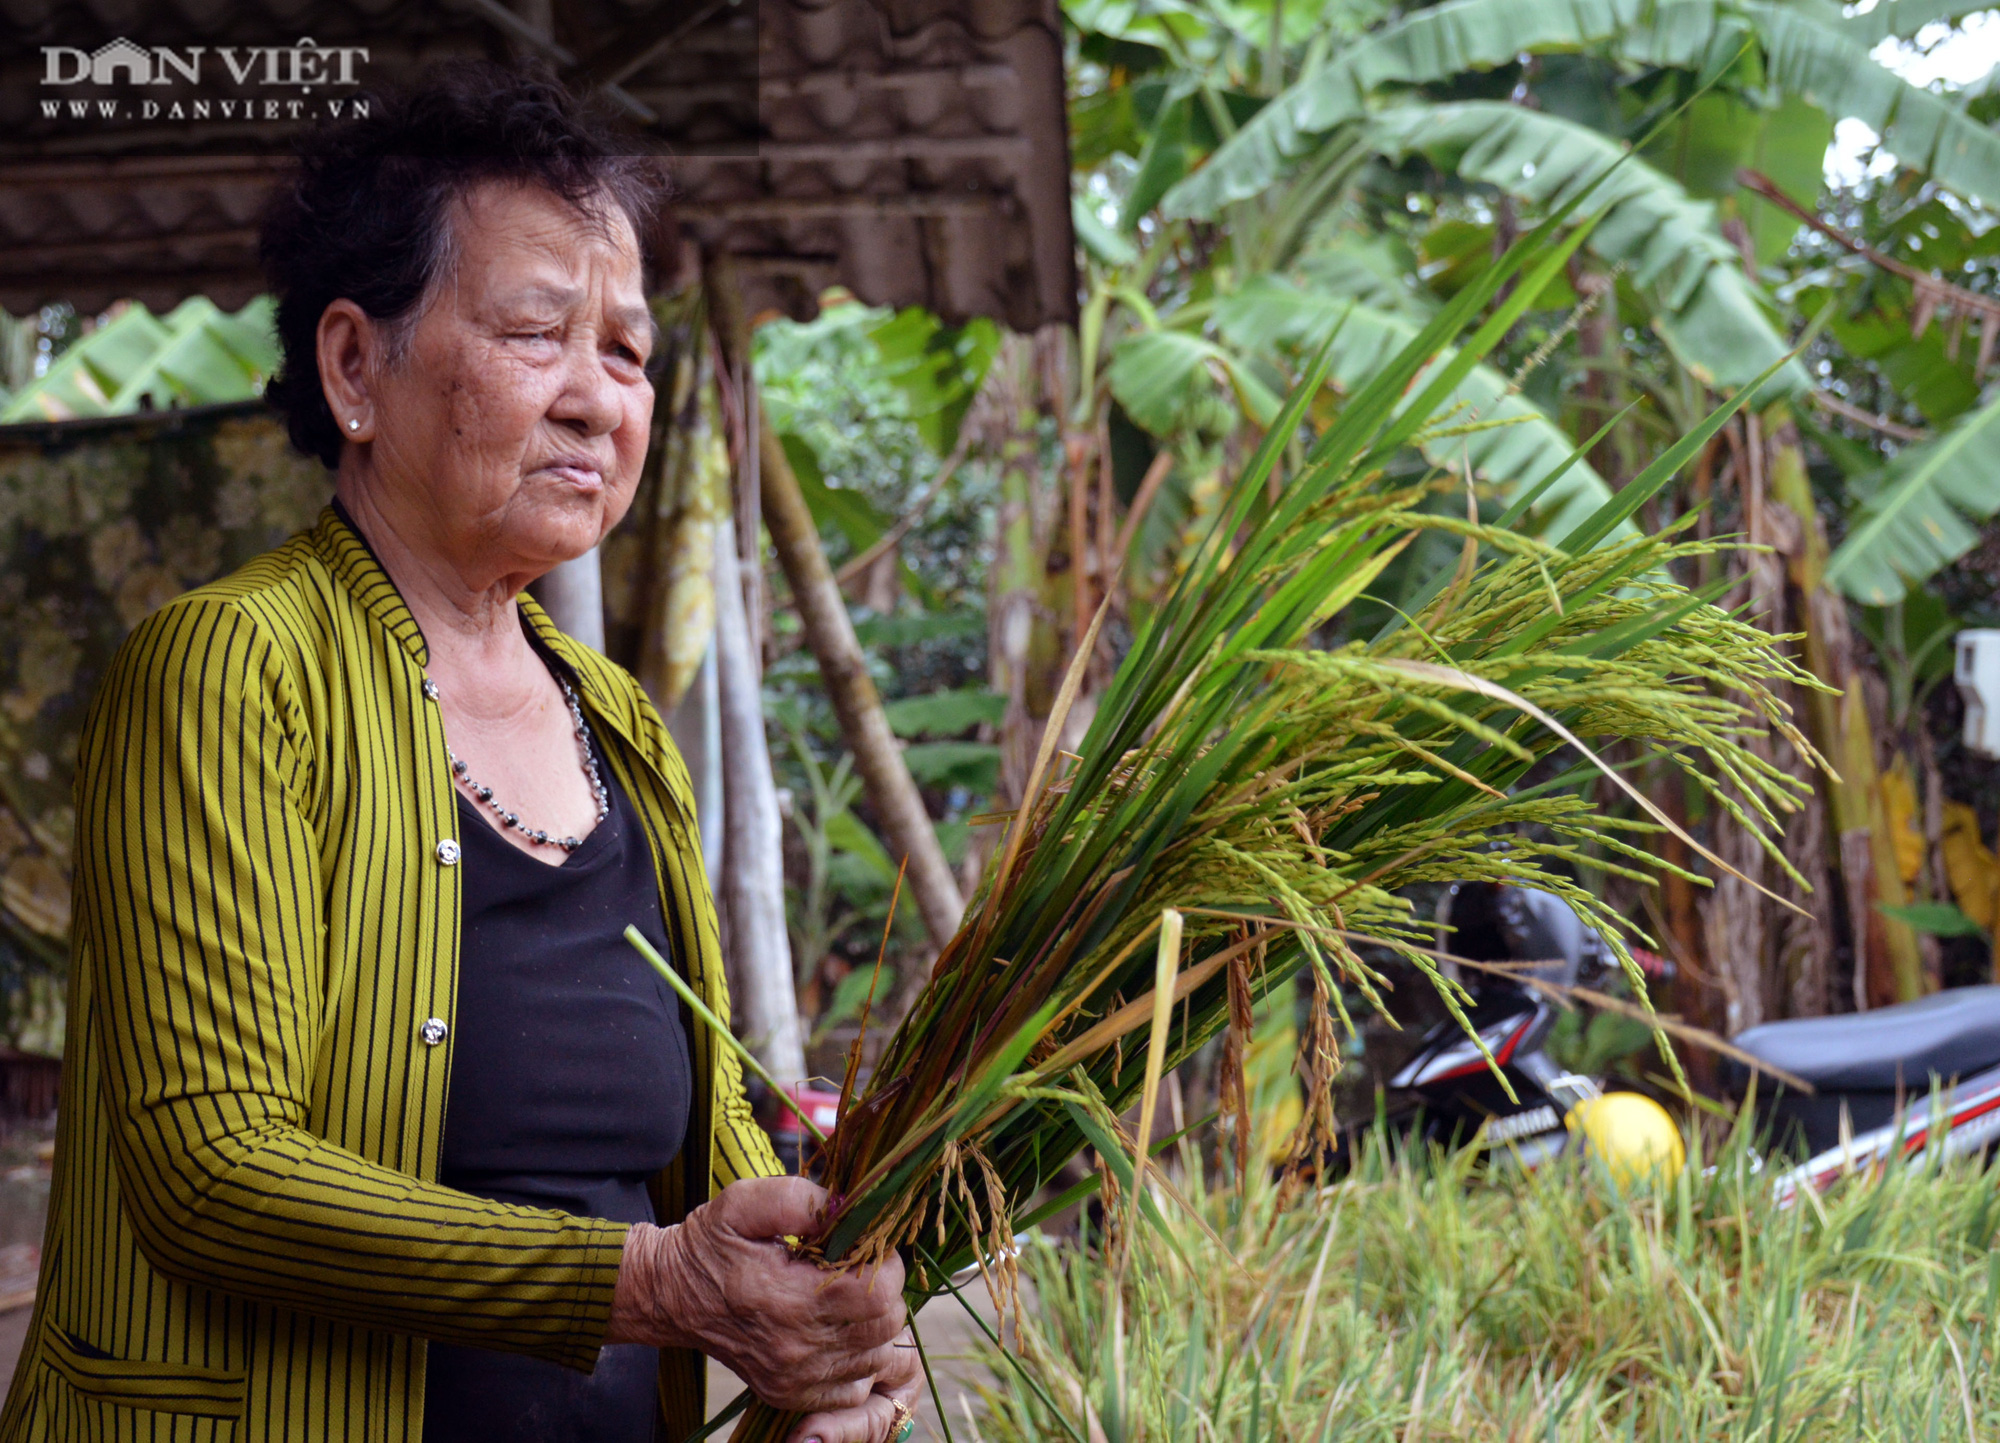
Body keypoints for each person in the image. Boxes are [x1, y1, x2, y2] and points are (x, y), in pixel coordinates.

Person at [0, 63, 921, 1443]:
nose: (598, 401)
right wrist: (661, 1283)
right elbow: (212, 1173)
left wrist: (824, 1333)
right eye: (538, 333)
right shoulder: (229, 672)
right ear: (356, 366)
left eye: (627, 351)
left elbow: (710, 1142)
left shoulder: (621, 725)